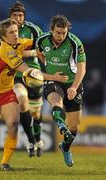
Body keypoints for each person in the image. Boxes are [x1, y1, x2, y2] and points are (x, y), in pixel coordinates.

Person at [0, 18, 37, 171]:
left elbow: (37, 44)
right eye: (11, 32)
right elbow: (22, 67)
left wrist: (46, 45)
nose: (15, 35)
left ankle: (4, 163)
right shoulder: (5, 50)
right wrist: (42, 75)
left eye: (16, 31)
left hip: (6, 93)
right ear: (3, 37)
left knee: (13, 125)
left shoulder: (18, 42)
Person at [36, 15, 86, 167]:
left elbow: (82, 67)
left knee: (74, 127)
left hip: (72, 83)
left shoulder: (74, 42)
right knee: (55, 100)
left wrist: (73, 87)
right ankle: (60, 123)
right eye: (58, 32)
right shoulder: (42, 40)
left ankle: (65, 147)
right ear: (51, 30)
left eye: (64, 33)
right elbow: (39, 53)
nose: (61, 36)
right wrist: (50, 70)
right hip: (54, 80)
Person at [6, 1, 44, 157]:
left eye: (20, 15)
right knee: (22, 102)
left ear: (24, 16)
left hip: (33, 75)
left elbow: (42, 50)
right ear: (10, 16)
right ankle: (31, 141)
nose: (17, 18)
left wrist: (26, 54)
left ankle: (38, 138)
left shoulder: (34, 30)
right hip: (16, 76)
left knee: (35, 114)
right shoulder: (3, 30)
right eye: (14, 15)